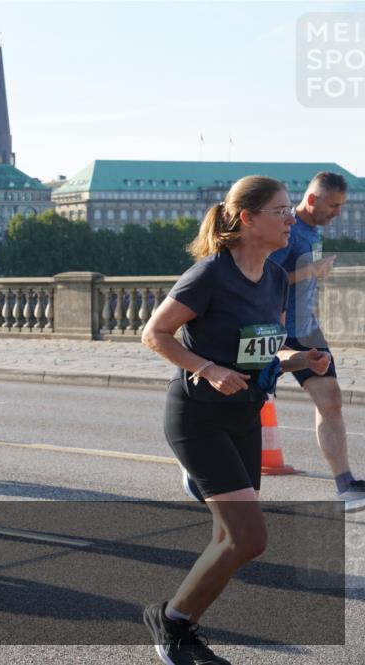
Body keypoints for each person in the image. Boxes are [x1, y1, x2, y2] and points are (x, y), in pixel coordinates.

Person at [140, 175, 331, 664]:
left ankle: (182, 625)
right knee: (250, 538)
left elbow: (262, 353)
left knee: (231, 540)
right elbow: (155, 334)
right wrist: (207, 368)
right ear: (248, 218)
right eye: (281, 212)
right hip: (198, 417)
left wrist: (299, 358)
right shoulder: (209, 275)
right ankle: (172, 623)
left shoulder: (271, 277)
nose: (292, 220)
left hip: (244, 417)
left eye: (290, 210)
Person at [267, 171, 365, 511]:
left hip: (308, 330)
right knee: (246, 402)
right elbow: (266, 278)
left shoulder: (312, 230)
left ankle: (345, 485)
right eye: (334, 205)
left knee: (331, 398)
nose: (338, 212)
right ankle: (205, 469)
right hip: (277, 332)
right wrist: (312, 271)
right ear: (312, 200)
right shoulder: (288, 230)